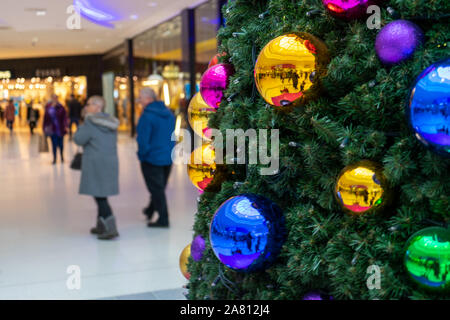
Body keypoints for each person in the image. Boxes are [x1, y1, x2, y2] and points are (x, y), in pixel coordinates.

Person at [73, 96, 120, 240]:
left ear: (97, 107)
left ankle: (111, 228)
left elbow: (78, 139)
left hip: (96, 163)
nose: (86, 107)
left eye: (88, 104)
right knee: (100, 193)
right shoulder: (111, 122)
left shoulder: (90, 122)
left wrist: (82, 123)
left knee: (99, 196)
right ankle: (101, 225)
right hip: (109, 161)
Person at [136, 87, 175, 228]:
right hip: (167, 157)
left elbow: (143, 140)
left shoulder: (147, 116)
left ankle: (163, 219)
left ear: (148, 98)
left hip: (152, 158)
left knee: (157, 189)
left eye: (140, 97)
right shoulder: (169, 113)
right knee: (159, 187)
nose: (139, 100)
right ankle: (150, 209)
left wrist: (142, 155)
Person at [43, 94, 68, 164]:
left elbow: (65, 117)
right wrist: (44, 128)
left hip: (60, 129)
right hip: (52, 129)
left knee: (61, 144)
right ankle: (54, 158)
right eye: (53, 98)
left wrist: (66, 125)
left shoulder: (61, 107)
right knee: (54, 144)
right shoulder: (48, 107)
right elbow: (45, 118)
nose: (54, 99)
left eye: (55, 98)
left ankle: (62, 157)